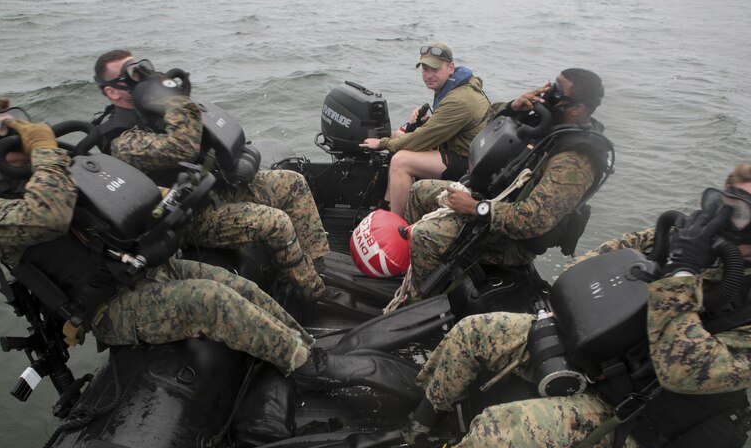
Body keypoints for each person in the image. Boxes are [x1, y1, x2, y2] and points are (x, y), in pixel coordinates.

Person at [305, 161, 751, 448]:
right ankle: (420, 425)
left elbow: (682, 369)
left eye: (741, 212)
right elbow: (593, 266)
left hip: (632, 405)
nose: (723, 218)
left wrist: (680, 274)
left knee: (493, 433)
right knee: (473, 333)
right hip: (597, 346)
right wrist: (668, 254)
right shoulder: (695, 247)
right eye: (723, 202)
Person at [0, 95, 365, 384]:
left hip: (140, 271)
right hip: (108, 307)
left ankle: (307, 348)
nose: (17, 135)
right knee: (211, 300)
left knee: (237, 286)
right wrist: (46, 152)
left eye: (17, 124)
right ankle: (312, 370)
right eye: (3, 129)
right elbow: (48, 214)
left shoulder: (42, 173)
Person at [92, 49, 330, 302]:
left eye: (142, 70)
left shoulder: (151, 110)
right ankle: (314, 293)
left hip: (212, 189)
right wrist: (174, 100)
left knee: (293, 183)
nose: (142, 79)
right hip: (190, 217)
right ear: (112, 91)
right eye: (132, 75)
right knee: (275, 223)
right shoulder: (120, 137)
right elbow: (181, 147)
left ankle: (317, 267)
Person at [402, 68, 606, 300]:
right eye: (551, 86)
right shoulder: (549, 126)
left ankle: (420, 302)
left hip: (509, 240)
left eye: (556, 92)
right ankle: (414, 270)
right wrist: (514, 108)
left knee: (426, 236)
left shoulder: (575, 162)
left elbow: (533, 220)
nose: (547, 95)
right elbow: (487, 119)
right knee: (419, 191)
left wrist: (474, 207)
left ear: (578, 109)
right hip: (491, 203)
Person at [359, 43, 490, 217]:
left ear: (451, 67)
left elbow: (420, 139)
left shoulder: (460, 99)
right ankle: (387, 203)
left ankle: (396, 223)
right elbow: (442, 126)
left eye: (434, 69)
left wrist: (383, 143)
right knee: (399, 135)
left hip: (468, 162)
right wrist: (426, 121)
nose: (428, 75)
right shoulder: (455, 86)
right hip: (460, 149)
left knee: (400, 160)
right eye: (425, 69)